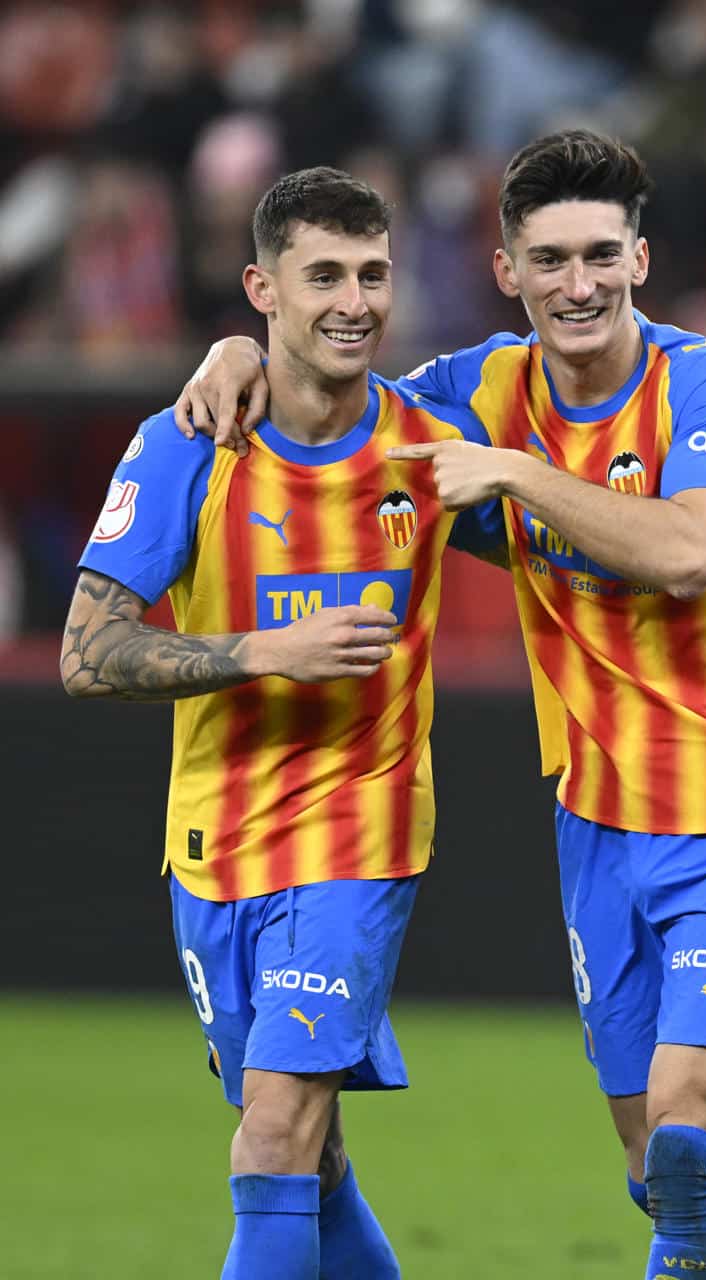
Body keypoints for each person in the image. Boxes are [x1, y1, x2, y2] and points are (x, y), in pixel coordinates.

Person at [176, 130, 706, 1280]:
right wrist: (235, 348)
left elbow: (682, 551)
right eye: (551, 259)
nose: (580, 284)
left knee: (685, 1138)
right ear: (507, 270)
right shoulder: (472, 389)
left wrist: (519, 471)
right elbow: (327, 387)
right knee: (652, 1162)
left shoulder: (701, 378)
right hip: (599, 819)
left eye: (602, 254)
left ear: (641, 257)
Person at [61, 167, 495, 1280]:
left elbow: (573, 538)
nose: (355, 301)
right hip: (212, 845)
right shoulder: (189, 443)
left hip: (360, 835)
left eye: (372, 274)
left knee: (271, 1136)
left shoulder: (434, 442)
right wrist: (264, 651)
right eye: (323, 277)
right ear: (262, 288)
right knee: (311, 1153)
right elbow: (86, 652)